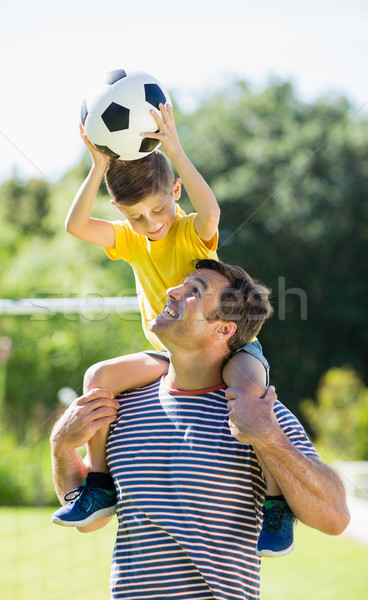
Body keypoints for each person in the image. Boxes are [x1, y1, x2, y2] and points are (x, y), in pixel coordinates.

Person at [52, 103, 293, 556]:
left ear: (175, 192)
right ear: (122, 214)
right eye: (137, 216)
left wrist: (176, 149)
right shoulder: (128, 238)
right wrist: (98, 165)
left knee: (249, 393)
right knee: (98, 378)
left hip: (230, 348)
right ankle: (100, 484)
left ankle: (277, 505)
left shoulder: (189, 231)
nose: (152, 223)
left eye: (159, 208)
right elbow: (77, 225)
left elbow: (211, 208)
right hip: (171, 355)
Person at [50, 259, 350, 600]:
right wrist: (61, 447)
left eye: (194, 291)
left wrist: (269, 437)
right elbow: (90, 521)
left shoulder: (256, 414)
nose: (171, 291)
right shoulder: (122, 407)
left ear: (223, 329)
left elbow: (335, 518)